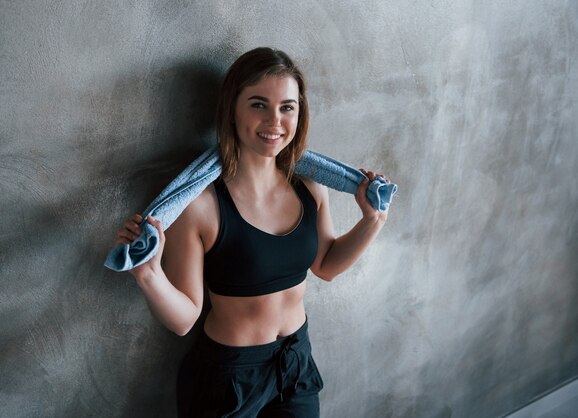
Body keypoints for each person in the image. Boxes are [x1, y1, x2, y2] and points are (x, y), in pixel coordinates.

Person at [114, 47, 390, 417]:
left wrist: (372, 221)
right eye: (258, 104)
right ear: (233, 108)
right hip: (228, 378)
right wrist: (148, 274)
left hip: (296, 363)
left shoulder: (310, 188)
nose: (275, 120)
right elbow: (184, 320)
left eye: (287, 107)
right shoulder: (201, 206)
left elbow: (325, 265)